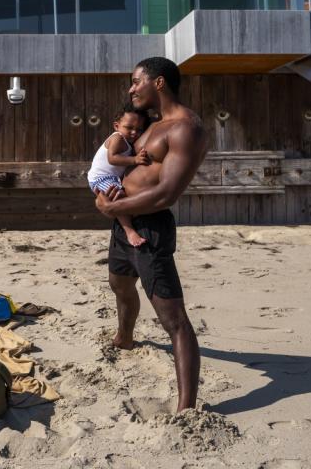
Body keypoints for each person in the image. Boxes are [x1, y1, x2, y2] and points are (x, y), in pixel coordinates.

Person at [94, 57, 207, 413]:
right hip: (124, 221)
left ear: (158, 83)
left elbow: (167, 193)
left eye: (135, 81)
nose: (131, 89)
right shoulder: (151, 126)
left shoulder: (185, 128)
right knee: (119, 284)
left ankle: (186, 408)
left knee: (173, 320)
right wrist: (109, 197)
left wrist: (112, 208)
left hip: (150, 228)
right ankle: (124, 338)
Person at [87, 104, 151, 248]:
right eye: (129, 127)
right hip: (101, 178)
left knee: (124, 195)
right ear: (117, 126)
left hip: (111, 177)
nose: (134, 132)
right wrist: (135, 160)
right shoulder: (118, 138)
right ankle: (130, 232)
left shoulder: (128, 141)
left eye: (139, 129)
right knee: (118, 196)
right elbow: (113, 158)